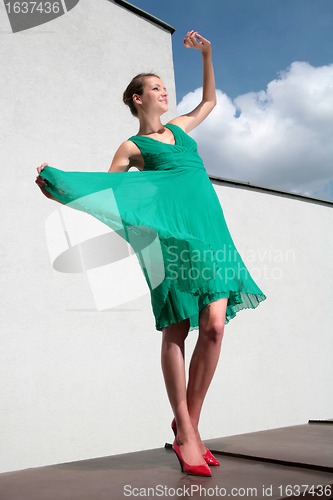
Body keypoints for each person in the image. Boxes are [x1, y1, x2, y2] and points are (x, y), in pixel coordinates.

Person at [36, 31, 266, 477]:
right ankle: (189, 434)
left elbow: (209, 104)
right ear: (137, 98)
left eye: (165, 86)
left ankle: (187, 428)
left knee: (215, 326)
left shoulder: (180, 128)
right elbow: (110, 192)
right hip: (172, 240)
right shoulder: (132, 147)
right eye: (156, 87)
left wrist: (208, 53)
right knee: (179, 329)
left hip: (210, 232)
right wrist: (64, 190)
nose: (164, 91)